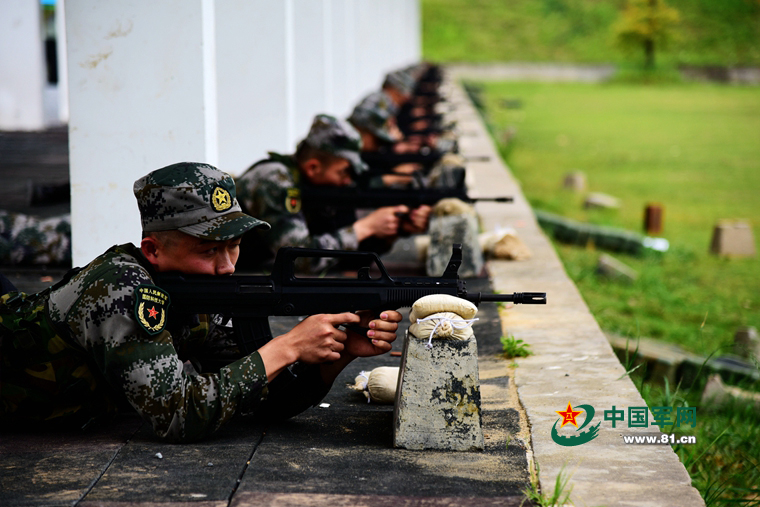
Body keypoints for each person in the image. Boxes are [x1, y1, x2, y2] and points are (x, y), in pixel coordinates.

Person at [0, 162, 402, 442]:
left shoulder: (195, 293)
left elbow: (261, 400)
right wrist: (288, 345)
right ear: (152, 250)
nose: (227, 266)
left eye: (235, 246)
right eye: (209, 250)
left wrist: (341, 353)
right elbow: (178, 416)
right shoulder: (122, 291)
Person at [235, 114, 430, 273]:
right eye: (343, 172)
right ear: (313, 168)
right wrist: (364, 227)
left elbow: (342, 261)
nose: (347, 181)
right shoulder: (274, 180)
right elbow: (300, 259)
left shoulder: (311, 188)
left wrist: (391, 231)